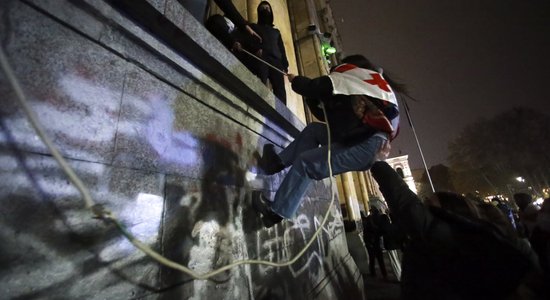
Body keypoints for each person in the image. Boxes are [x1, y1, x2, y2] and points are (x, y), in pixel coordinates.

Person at [252, 54, 402, 228]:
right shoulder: (370, 84)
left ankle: (277, 212)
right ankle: (277, 162)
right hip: (361, 138)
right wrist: (311, 94)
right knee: (314, 131)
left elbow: (318, 86)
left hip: (366, 143)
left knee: (307, 164)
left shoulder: (354, 74)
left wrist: (298, 81)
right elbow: (324, 113)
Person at [370, 160, 544, 299]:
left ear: (450, 215)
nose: (425, 208)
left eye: (430, 207)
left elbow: (409, 208)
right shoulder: (508, 243)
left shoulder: (447, 243)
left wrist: (376, 161)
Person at [204, 1, 264, 79]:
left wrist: (245, 27)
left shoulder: (249, 32)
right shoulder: (217, 21)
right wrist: (232, 42)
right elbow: (215, 22)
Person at [250, 1, 289, 104]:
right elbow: (250, 41)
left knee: (280, 91)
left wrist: (285, 66)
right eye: (262, 9)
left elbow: (282, 49)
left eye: (267, 8)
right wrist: (255, 49)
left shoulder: (276, 32)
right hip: (262, 58)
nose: (265, 10)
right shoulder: (254, 27)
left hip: (276, 61)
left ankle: (282, 115)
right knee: (260, 83)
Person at [362, 208, 388, 280]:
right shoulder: (372, 220)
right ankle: (382, 274)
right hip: (373, 242)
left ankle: (376, 273)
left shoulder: (371, 220)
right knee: (378, 259)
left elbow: (369, 232)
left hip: (373, 242)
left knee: (374, 259)